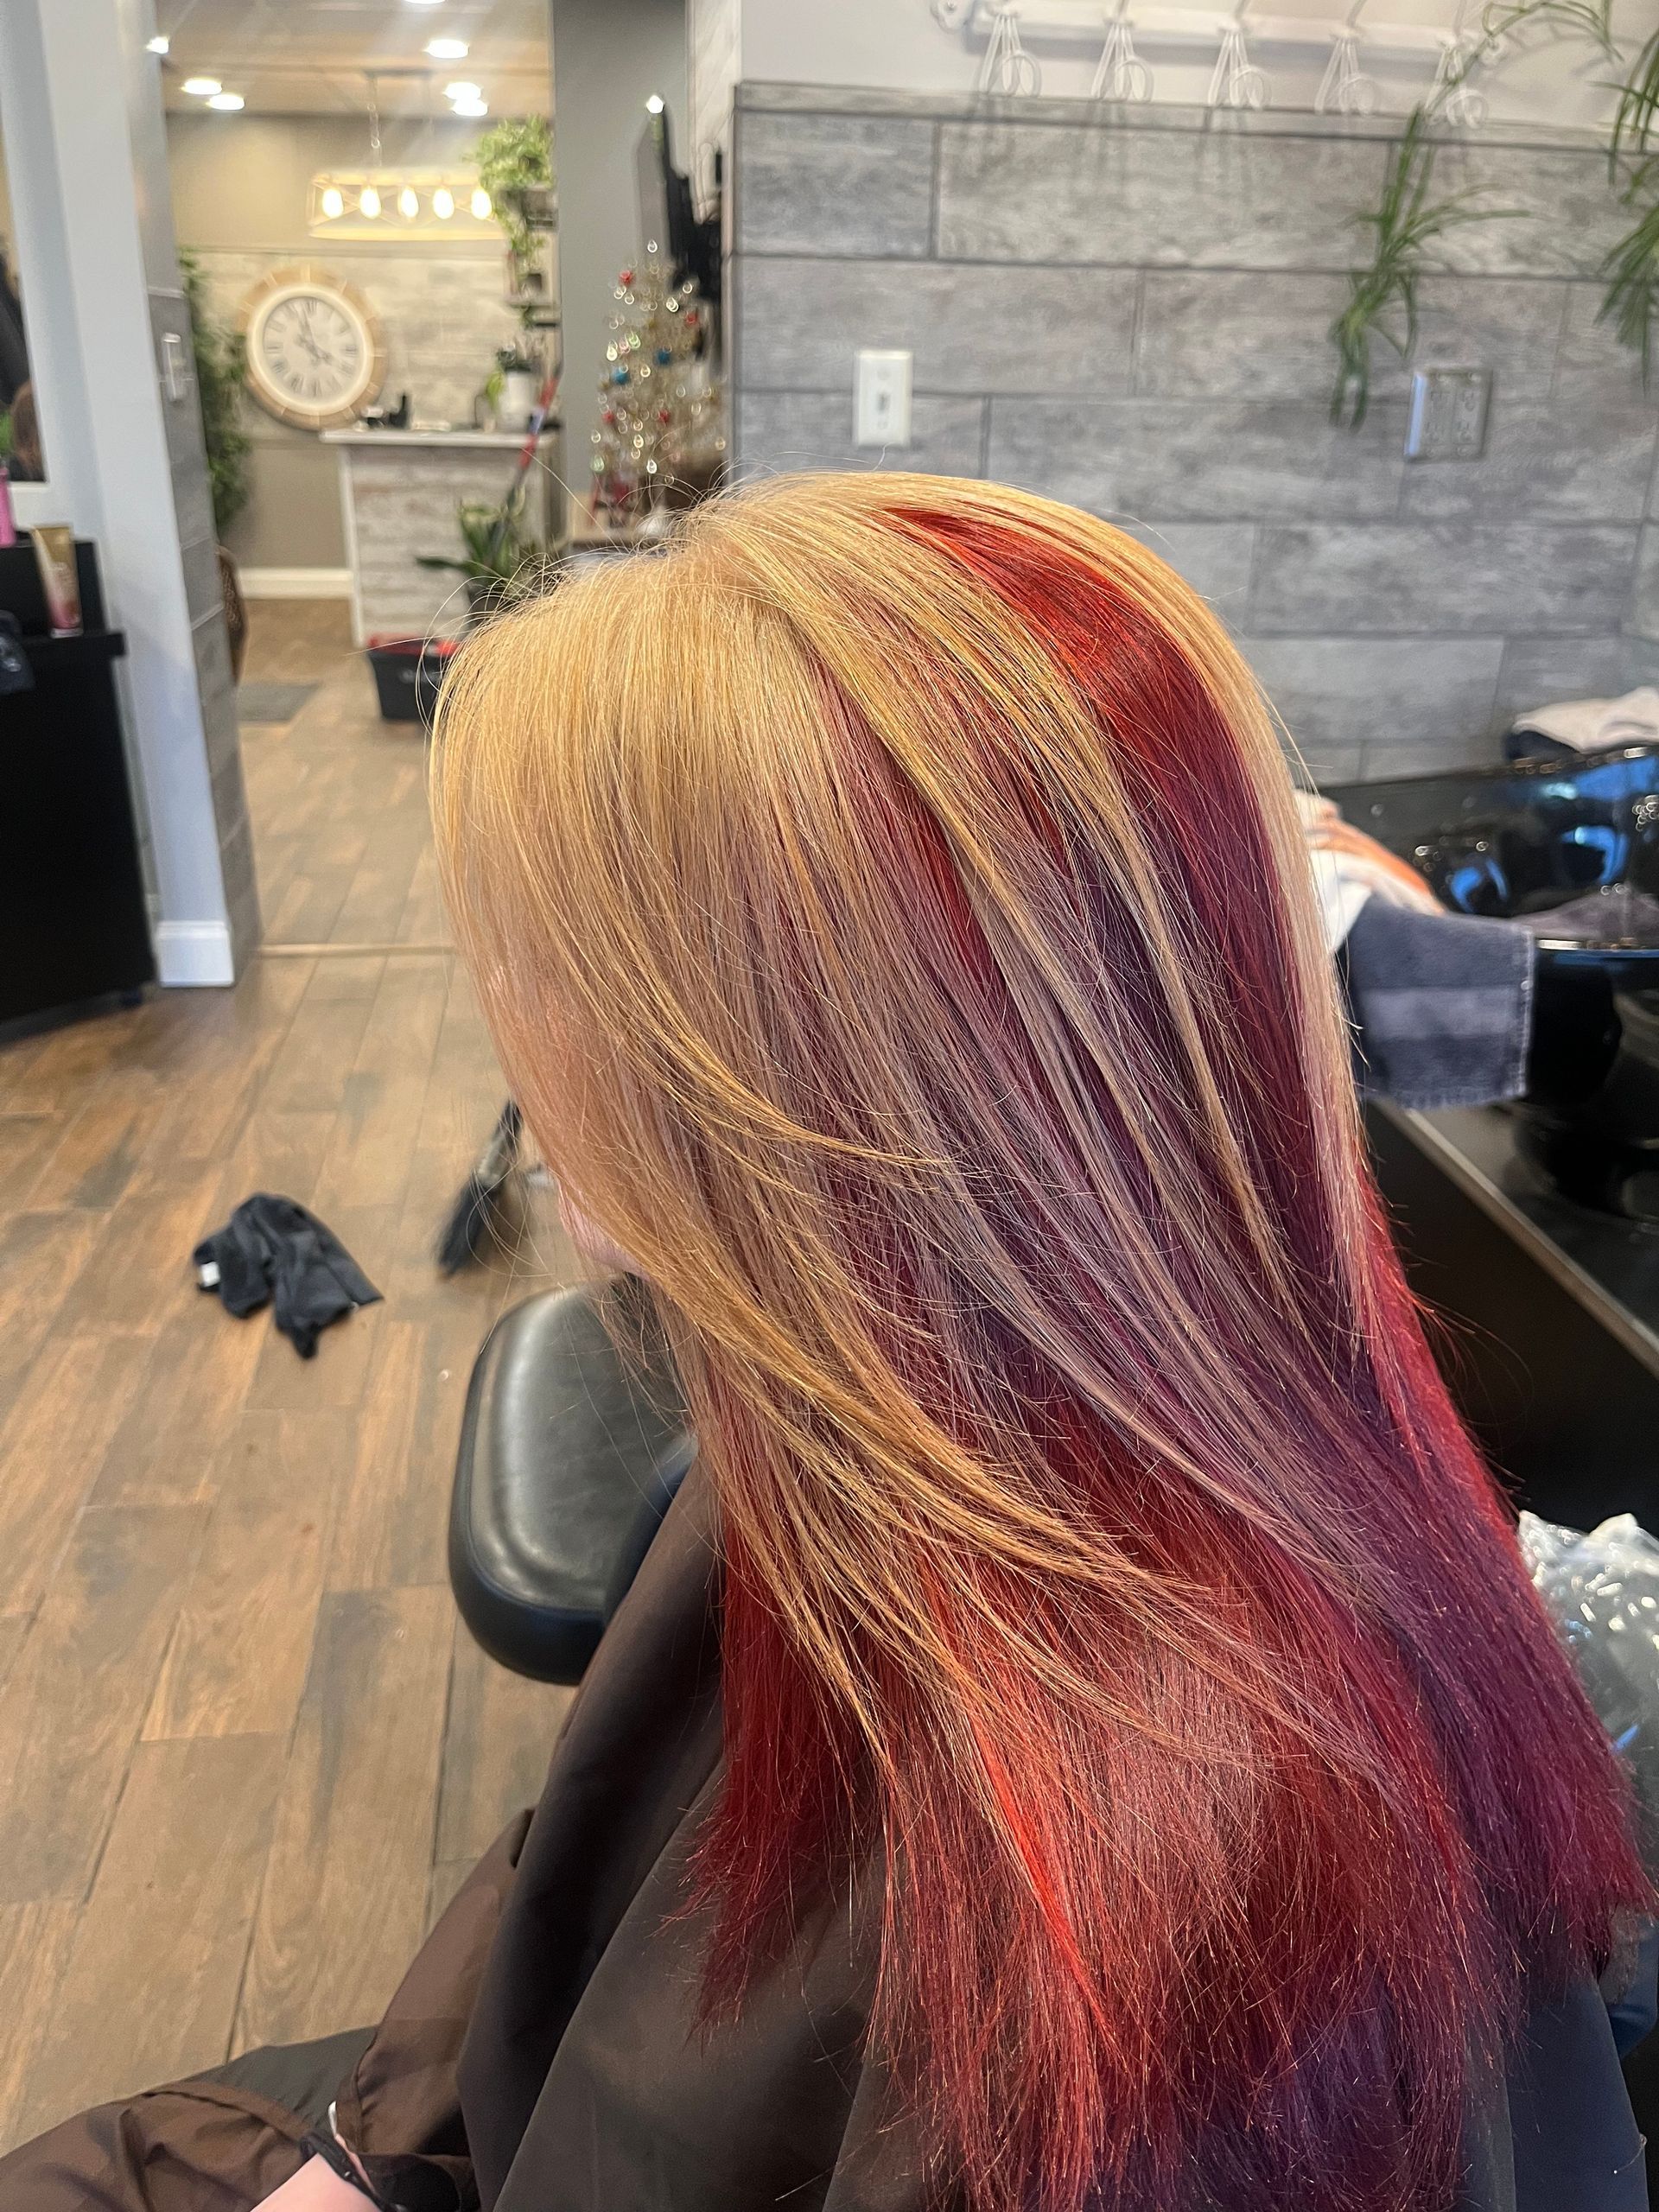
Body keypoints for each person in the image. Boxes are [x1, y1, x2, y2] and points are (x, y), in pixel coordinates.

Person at [3, 473, 1650, 2212]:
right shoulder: (850, 1429)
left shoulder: (1189, 1929)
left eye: (575, 1027)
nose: (545, 1121)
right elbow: (574, 1896)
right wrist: (363, 2153)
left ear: (831, 1107)